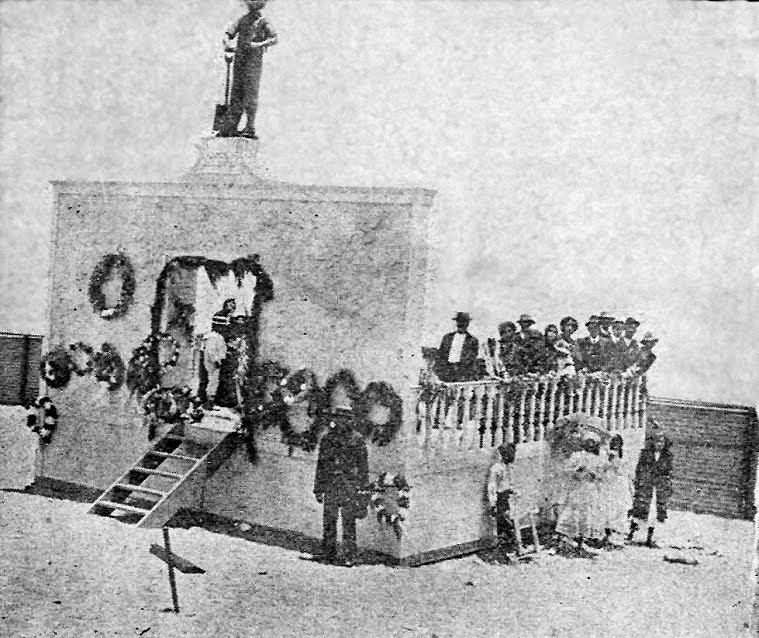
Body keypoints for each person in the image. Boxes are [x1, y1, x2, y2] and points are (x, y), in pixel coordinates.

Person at [313, 406, 369, 567]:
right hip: (331, 484)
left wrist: (362, 489)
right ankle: (328, 553)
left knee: (348, 522)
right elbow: (321, 465)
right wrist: (318, 488)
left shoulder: (357, 439)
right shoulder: (327, 439)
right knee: (329, 520)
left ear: (350, 420)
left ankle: (349, 555)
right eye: (338, 418)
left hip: (348, 485)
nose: (341, 421)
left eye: (345, 418)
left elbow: (363, 467)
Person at [218, 0, 279, 139]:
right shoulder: (242, 20)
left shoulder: (263, 22)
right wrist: (228, 44)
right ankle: (232, 125)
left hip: (253, 63)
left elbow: (274, 38)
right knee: (236, 93)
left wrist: (259, 44)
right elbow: (228, 34)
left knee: (250, 94)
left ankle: (250, 126)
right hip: (239, 61)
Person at [555, 430, 607, 555]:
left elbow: (602, 476)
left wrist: (594, 474)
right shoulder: (577, 455)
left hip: (590, 489)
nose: (590, 445)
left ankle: (581, 542)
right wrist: (577, 470)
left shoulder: (598, 459)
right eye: (588, 442)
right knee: (573, 512)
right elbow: (567, 471)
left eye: (593, 442)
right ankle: (566, 540)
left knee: (587, 514)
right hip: (577, 488)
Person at [628, 426, 673, 548]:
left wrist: (665, 484)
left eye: (662, 442)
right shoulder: (645, 454)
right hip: (646, 486)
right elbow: (640, 469)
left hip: (658, 488)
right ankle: (631, 533)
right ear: (652, 442)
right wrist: (640, 481)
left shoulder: (667, 456)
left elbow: (668, 472)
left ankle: (649, 537)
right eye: (657, 441)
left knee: (654, 512)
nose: (660, 444)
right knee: (640, 509)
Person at [487, 442, 518, 561]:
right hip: (501, 500)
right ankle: (502, 552)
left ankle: (509, 550)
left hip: (507, 498)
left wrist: (512, 490)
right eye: (511, 454)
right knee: (504, 525)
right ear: (505, 455)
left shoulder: (508, 467)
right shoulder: (496, 469)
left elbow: (507, 483)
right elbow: (492, 487)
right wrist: (493, 503)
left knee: (510, 523)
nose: (513, 457)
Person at [600, 434, 632, 545]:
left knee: (620, 507)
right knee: (609, 507)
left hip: (620, 483)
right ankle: (607, 533)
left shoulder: (624, 455)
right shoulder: (606, 454)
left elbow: (625, 470)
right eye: (613, 442)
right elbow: (603, 467)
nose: (615, 444)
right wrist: (609, 460)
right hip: (610, 482)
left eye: (618, 442)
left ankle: (617, 533)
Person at [211, 298, 242, 407]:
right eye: (230, 305)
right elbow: (219, 332)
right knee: (223, 374)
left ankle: (230, 399)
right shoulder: (219, 316)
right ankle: (221, 399)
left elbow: (235, 330)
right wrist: (229, 340)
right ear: (225, 305)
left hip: (229, 349)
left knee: (230, 375)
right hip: (220, 347)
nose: (232, 307)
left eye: (233, 305)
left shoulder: (231, 318)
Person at [436, 312, 480, 382]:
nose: (461, 324)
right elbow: (441, 355)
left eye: (464, 321)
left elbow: (471, 358)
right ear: (456, 322)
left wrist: (459, 368)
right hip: (447, 372)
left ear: (468, 323)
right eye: (459, 321)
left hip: (463, 374)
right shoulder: (447, 338)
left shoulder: (473, 340)